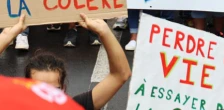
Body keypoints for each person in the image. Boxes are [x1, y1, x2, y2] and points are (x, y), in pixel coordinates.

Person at [2, 13, 132, 110]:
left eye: (54, 90)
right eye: (40, 89)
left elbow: (120, 74)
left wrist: (104, 31)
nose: (46, 97)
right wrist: (5, 36)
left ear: (63, 89)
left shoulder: (74, 107)